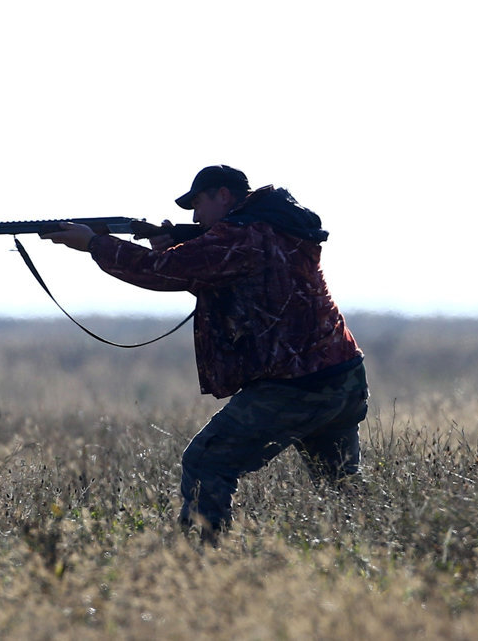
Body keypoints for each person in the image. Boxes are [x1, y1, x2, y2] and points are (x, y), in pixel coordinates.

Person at [41, 164, 368, 543]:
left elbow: (160, 270)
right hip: (341, 376)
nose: (196, 216)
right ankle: (381, 548)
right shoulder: (279, 228)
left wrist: (95, 244)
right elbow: (223, 280)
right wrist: (172, 245)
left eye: (199, 204)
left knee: (206, 460)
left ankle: (201, 559)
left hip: (295, 387)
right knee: (341, 485)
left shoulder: (244, 235)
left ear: (223, 195)